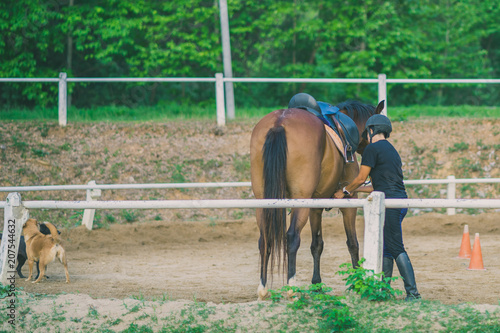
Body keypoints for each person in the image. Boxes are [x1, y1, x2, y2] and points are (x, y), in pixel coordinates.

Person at [334, 114, 421, 301]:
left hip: (390, 203)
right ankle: (384, 290)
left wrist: (345, 191)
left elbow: (359, 178)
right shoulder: (391, 150)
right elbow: (374, 186)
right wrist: (357, 190)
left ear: (371, 130)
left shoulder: (371, 149)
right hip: (399, 201)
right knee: (389, 248)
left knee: (396, 247)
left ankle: (413, 294)